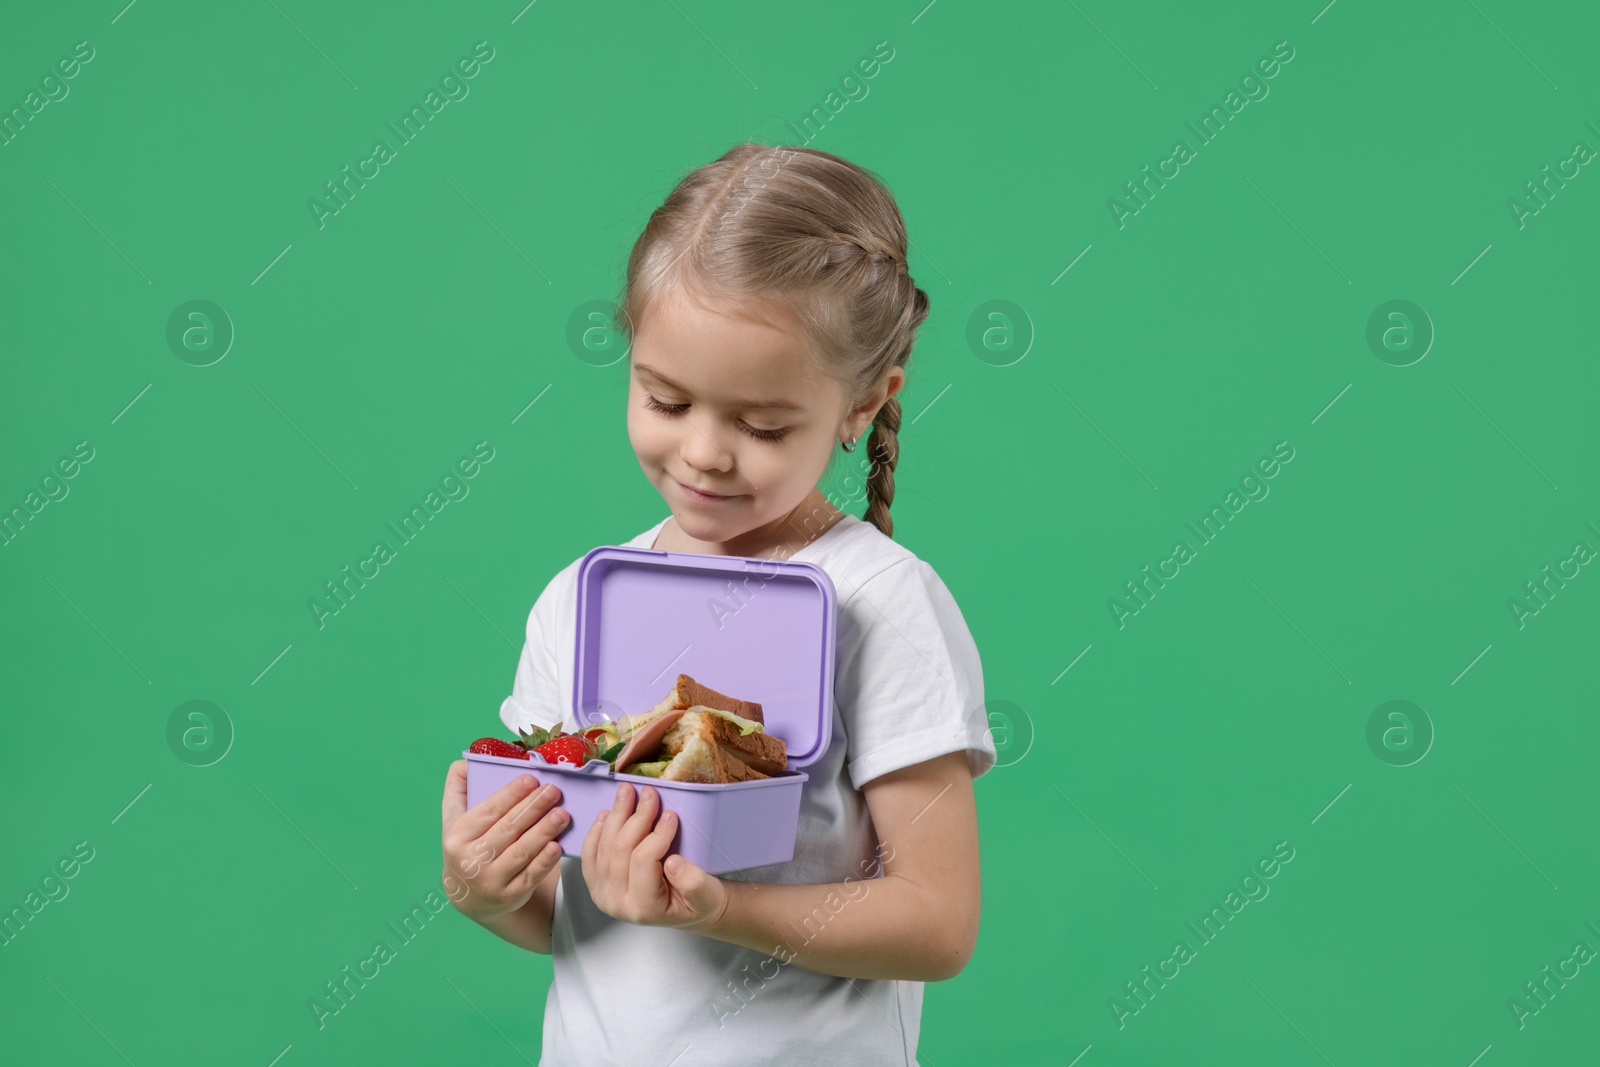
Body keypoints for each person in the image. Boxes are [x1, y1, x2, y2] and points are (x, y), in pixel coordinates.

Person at [439, 143, 995, 1066]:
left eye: (761, 425)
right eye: (665, 398)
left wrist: (722, 906)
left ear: (864, 404)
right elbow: (574, 916)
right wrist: (487, 888)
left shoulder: (884, 602)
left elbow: (938, 922)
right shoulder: (583, 600)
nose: (702, 453)